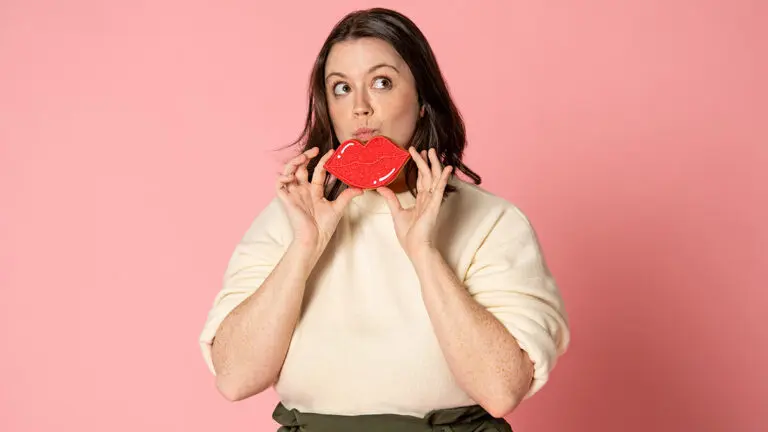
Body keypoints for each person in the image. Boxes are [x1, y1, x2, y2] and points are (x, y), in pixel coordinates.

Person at [199, 7, 570, 431]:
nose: (360, 108)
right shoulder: (289, 219)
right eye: (341, 88)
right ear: (328, 109)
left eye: (381, 82)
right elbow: (234, 378)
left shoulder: (492, 222)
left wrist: (424, 252)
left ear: (424, 101)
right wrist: (305, 248)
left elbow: (500, 390)